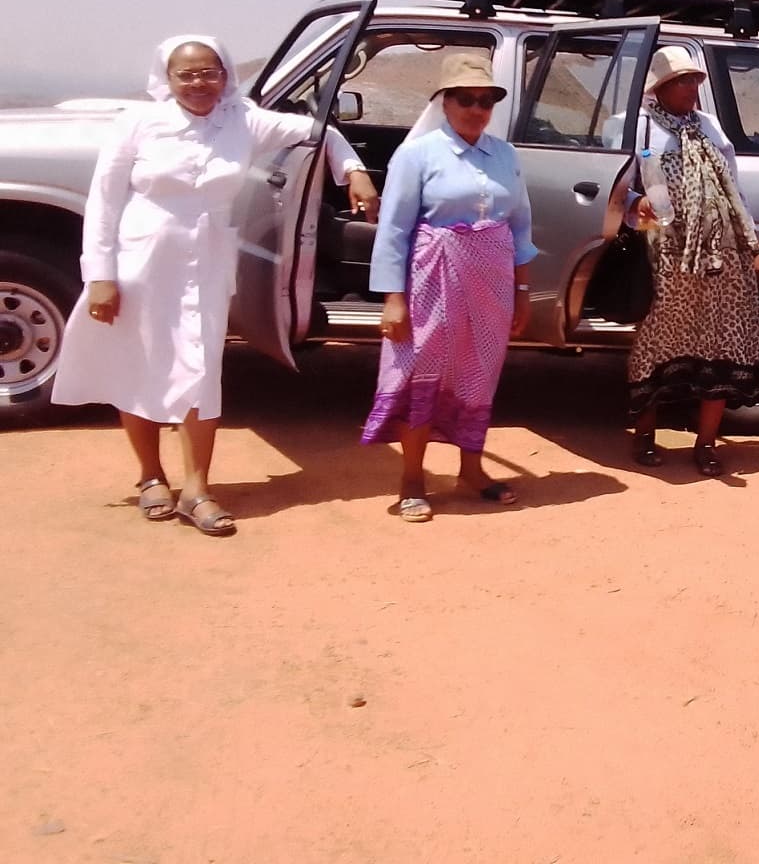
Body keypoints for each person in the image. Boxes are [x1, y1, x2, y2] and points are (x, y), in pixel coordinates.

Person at [53, 35, 379, 536]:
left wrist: (353, 171)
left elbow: (321, 132)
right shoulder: (137, 123)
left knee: (201, 370)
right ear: (167, 77)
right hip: (142, 261)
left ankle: (197, 488)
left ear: (225, 74)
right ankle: (150, 476)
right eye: (187, 74)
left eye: (210, 72)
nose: (199, 83)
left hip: (206, 263)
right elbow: (104, 204)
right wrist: (100, 276)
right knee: (137, 364)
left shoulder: (244, 120)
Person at [362, 54, 537, 522]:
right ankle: (413, 479)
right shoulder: (417, 154)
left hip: (492, 280)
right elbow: (393, 229)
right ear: (444, 101)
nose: (476, 109)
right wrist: (392, 299)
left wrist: (522, 291)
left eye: (486, 101)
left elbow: (520, 225)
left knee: (478, 372)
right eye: (466, 99)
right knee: (421, 369)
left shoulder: (505, 155)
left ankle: (472, 470)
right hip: (431, 278)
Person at [627, 45, 759, 476]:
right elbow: (621, 185)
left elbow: (733, 189)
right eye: (683, 81)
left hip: (724, 253)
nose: (692, 87)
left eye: (695, 80)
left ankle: (706, 444)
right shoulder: (641, 128)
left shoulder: (709, 127)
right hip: (668, 256)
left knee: (722, 345)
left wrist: (755, 246)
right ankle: (645, 433)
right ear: (662, 87)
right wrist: (636, 205)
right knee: (658, 344)